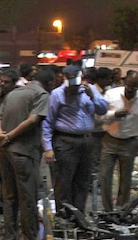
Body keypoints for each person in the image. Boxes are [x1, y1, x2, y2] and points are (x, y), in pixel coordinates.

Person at [0, 66, 55, 240]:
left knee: (9, 196)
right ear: (50, 82)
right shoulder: (42, 94)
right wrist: (10, 136)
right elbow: (33, 120)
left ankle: (10, 239)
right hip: (23, 153)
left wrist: (1, 136)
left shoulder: (14, 93)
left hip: (4, 151)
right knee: (27, 197)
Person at [41, 64, 108, 215]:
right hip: (66, 141)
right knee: (64, 181)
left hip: (86, 141)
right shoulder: (57, 94)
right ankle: (63, 216)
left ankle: (79, 215)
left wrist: (93, 96)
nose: (72, 87)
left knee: (83, 181)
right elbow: (47, 122)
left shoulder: (90, 91)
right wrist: (48, 148)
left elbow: (103, 109)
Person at [100, 70, 138, 210]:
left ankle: (122, 208)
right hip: (109, 140)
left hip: (130, 142)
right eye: (128, 86)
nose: (130, 90)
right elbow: (99, 116)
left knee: (126, 179)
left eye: (134, 87)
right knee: (105, 177)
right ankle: (107, 209)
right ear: (124, 82)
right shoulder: (111, 95)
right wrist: (114, 114)